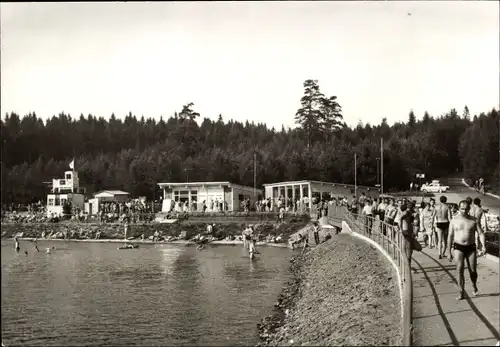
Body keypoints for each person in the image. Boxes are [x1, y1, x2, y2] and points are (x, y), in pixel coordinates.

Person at [447, 200, 486, 299]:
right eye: (462, 209)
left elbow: (481, 233)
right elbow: (450, 236)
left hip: (471, 247)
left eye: (466, 209)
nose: (464, 211)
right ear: (459, 208)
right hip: (458, 247)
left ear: (469, 209)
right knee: (459, 269)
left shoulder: (473, 220)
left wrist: (484, 246)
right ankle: (461, 292)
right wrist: (448, 252)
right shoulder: (454, 220)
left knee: (473, 271)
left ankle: (474, 285)